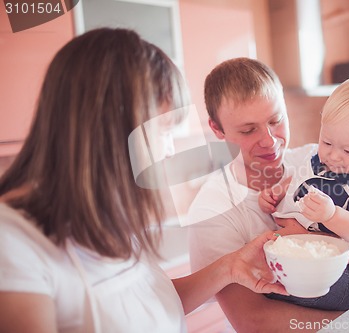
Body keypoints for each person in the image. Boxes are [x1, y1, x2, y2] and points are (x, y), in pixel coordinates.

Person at [0, 28, 287, 333]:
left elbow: (148, 301)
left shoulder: (103, 216)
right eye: (162, 129)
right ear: (108, 127)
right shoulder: (12, 242)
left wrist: (229, 267)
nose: (169, 150)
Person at [188, 57, 349, 332]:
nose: (269, 140)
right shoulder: (212, 210)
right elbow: (254, 321)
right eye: (249, 130)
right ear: (217, 129)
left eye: (276, 120)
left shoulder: (317, 158)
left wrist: (311, 242)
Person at [258, 75, 349, 311]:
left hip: (337, 279)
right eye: (327, 142)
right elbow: (303, 177)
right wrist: (279, 190)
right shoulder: (320, 160)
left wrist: (332, 216)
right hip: (300, 268)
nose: (333, 156)